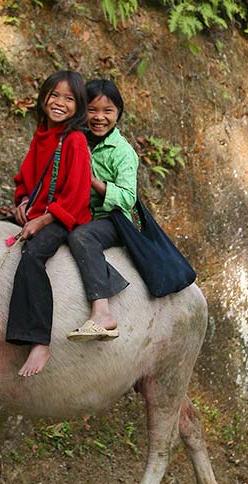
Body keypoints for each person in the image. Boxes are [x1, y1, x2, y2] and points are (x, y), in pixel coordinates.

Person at [5, 70, 92, 376]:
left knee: (33, 256)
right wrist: (24, 201)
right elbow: (26, 177)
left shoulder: (76, 140)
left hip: (62, 216)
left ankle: (40, 340)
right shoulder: (42, 135)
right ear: (43, 98)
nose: (59, 103)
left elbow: (78, 194)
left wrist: (42, 220)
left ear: (78, 106)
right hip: (38, 210)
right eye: (54, 95)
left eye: (68, 99)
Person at [67, 79, 138, 342]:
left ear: (118, 113)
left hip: (112, 220)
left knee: (82, 237)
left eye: (107, 111)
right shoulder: (77, 141)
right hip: (79, 213)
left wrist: (94, 182)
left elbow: (128, 198)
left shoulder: (122, 152)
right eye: (92, 110)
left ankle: (102, 312)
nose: (99, 117)